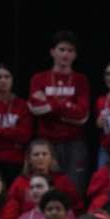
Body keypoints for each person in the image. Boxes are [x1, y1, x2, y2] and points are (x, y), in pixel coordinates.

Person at [29, 30, 92, 193]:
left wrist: (51, 103)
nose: (65, 54)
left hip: (74, 142)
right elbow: (35, 108)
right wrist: (67, 106)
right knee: (45, 186)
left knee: (74, 186)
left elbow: (82, 115)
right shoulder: (39, 78)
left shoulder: (80, 80)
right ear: (52, 52)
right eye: (62, 49)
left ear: (75, 55)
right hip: (47, 142)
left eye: (70, 51)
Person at [2, 139, 81, 219]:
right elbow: (11, 212)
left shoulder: (63, 181)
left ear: (51, 157)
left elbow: (77, 207)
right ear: (29, 159)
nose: (40, 157)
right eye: (36, 155)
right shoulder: (19, 183)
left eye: (44, 154)